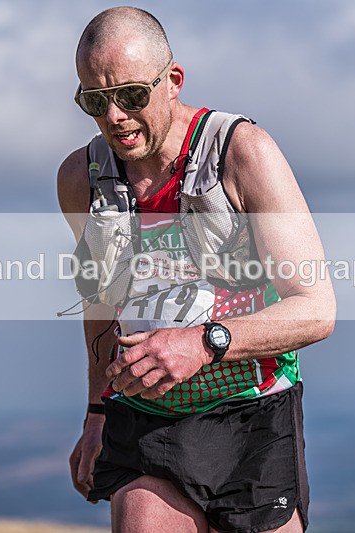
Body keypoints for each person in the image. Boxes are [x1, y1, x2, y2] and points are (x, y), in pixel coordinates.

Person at [58, 7, 336, 533]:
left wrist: (203, 342)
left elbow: (317, 310)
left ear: (173, 82)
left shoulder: (243, 153)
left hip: (251, 416)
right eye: (94, 101)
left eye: (131, 95)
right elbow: (100, 304)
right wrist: (96, 412)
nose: (114, 115)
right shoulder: (81, 177)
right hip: (144, 420)